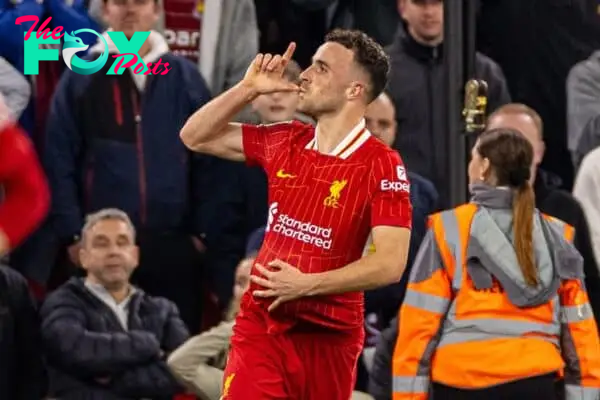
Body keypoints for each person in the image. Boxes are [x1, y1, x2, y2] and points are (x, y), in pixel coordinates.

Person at [180, 29, 412, 399]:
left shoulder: (381, 164)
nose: (303, 75)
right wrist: (247, 89)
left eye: (321, 68)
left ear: (354, 90)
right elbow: (195, 136)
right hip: (263, 321)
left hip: (330, 335)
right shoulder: (287, 138)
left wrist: (307, 285)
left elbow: (390, 263)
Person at [392, 128, 600, 400]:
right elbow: (580, 333)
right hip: (534, 382)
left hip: (460, 382)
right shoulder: (558, 236)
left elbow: (418, 326)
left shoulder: (449, 229)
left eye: (472, 158)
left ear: (483, 167)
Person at [40, 208, 190, 399]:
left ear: (135, 256)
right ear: (83, 257)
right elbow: (76, 351)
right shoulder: (62, 303)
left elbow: (184, 370)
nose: (113, 252)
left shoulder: (162, 310)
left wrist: (112, 378)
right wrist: (148, 344)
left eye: (122, 243)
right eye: (101, 244)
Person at [386, 0, 510, 208]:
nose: (429, 12)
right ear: (402, 8)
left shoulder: (484, 72)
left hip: (470, 202)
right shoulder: (380, 72)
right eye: (420, 3)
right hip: (404, 205)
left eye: (437, 3)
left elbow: (504, 141)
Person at [486, 103, 600, 325]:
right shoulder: (459, 206)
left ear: (539, 152)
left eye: (522, 144)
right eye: (500, 144)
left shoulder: (565, 211)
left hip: (549, 348)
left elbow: (589, 292)